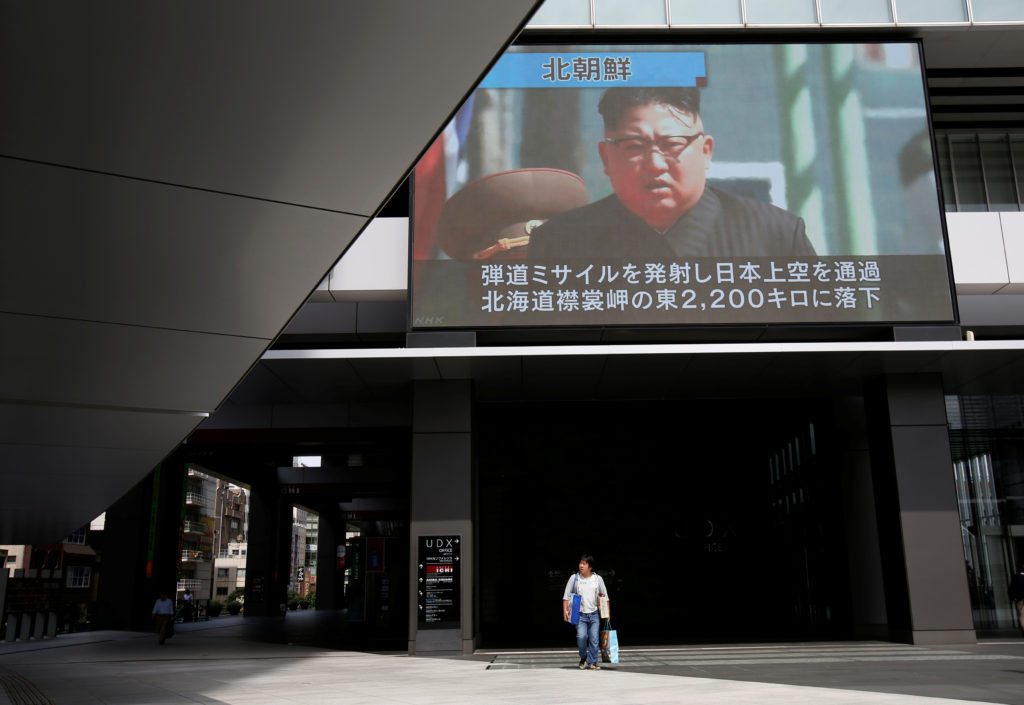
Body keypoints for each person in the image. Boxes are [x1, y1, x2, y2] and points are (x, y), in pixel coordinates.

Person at [529, 86, 816, 260]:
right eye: (633, 146)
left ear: (706, 151)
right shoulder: (560, 242)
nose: (655, 163)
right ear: (606, 157)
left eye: (672, 144)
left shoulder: (776, 234)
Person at [562, 554, 609, 671]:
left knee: (594, 639)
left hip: (594, 614)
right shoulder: (575, 578)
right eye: (580, 563)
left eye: (584, 563)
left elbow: (605, 597)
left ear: (590, 567)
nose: (581, 565)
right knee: (581, 637)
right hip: (580, 615)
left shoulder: (598, 579)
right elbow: (566, 596)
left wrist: (607, 614)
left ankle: (592, 662)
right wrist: (565, 611)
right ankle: (583, 657)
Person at [1010, 566, 1024, 634]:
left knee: (1021, 615)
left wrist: (1013, 598)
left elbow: (1012, 588)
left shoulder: (1016, 577)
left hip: (1020, 598)